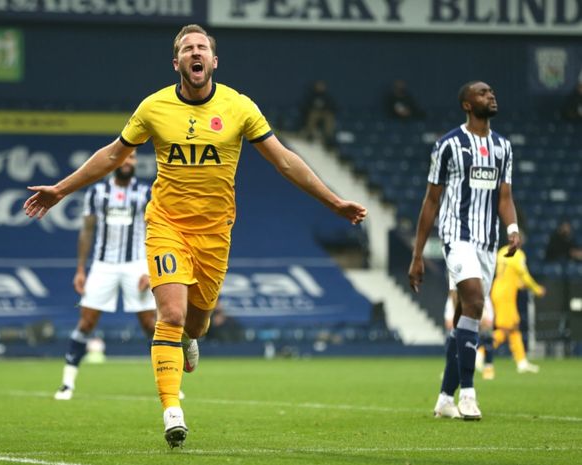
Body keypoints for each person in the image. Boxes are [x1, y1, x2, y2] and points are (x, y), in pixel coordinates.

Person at [23, 24, 367, 448]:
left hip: (215, 234)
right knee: (169, 314)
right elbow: (114, 154)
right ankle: (172, 411)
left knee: (197, 323)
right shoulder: (154, 107)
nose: (195, 53)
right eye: (187, 48)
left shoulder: (239, 107)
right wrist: (60, 189)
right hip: (166, 224)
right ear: (177, 62)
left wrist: (334, 202)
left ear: (214, 61)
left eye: (202, 47)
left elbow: (285, 162)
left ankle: (188, 338)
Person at [409, 81, 521, 421]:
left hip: (488, 242)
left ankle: (445, 397)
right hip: (457, 235)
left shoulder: (503, 147)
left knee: (464, 320)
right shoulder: (448, 146)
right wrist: (417, 256)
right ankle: (469, 395)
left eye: (492, 91)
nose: (491, 95)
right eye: (483, 93)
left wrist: (512, 229)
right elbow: (431, 200)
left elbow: (504, 197)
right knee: (474, 302)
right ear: (467, 105)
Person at [53, 152, 170, 400]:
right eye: (124, 158)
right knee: (86, 322)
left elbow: (158, 231)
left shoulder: (147, 192)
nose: (128, 162)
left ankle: (169, 384)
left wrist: (151, 269)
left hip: (136, 264)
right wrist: (81, 269)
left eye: (133, 159)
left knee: (151, 325)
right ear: (115, 162)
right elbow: (87, 230)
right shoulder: (96, 193)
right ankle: (67, 384)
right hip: (103, 264)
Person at [490, 239, 546, 375]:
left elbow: (509, 275)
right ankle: (480, 354)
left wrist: (518, 283)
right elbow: (524, 276)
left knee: (514, 328)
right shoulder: (518, 254)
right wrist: (536, 289)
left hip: (497, 291)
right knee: (505, 329)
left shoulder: (502, 251)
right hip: (506, 296)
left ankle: (521, 362)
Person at [444, 288, 496, 381]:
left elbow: (489, 320)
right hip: (462, 325)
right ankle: (451, 368)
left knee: (487, 335)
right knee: (451, 337)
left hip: (476, 324)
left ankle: (488, 367)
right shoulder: (452, 297)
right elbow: (448, 322)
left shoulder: (483, 295)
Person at [299, 79, 337, 149]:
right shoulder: (311, 96)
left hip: (324, 113)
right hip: (313, 113)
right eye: (318, 85)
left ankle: (328, 137)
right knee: (313, 114)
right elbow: (305, 107)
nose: (320, 87)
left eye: (322, 86)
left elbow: (333, 107)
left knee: (329, 116)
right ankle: (310, 134)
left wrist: (325, 110)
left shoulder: (327, 96)